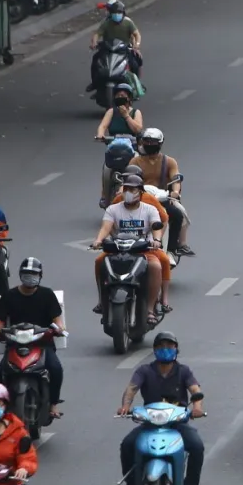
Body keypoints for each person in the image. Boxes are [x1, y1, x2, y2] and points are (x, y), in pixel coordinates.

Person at [116, 332, 205, 485]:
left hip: (176, 424)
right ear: (155, 350)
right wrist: (126, 406)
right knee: (127, 445)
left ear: (176, 349)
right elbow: (132, 389)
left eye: (169, 346)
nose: (166, 349)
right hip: (150, 423)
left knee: (197, 447)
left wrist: (197, 407)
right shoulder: (145, 371)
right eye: (161, 346)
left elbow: (195, 389)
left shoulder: (183, 371)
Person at [0, 256, 66, 422]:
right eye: (26, 273)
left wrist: (60, 328)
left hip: (42, 343)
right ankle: (0, 404)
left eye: (34, 273)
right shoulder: (9, 295)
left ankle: (53, 403)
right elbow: (0, 320)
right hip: (16, 343)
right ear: (20, 275)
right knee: (1, 371)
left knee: (56, 368)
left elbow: (57, 319)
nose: (30, 277)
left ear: (40, 275)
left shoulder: (47, 294)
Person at [91, 174, 170, 324]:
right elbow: (106, 227)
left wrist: (157, 240)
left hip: (144, 249)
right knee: (99, 262)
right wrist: (99, 240)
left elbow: (156, 227)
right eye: (126, 188)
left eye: (132, 189)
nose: (128, 192)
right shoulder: (113, 209)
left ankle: (150, 309)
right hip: (118, 248)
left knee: (155, 266)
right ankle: (102, 301)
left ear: (140, 192)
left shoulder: (150, 209)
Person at [130, 127, 193, 256]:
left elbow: (176, 178)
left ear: (160, 143)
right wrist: (122, 192)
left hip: (162, 198)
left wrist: (175, 192)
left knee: (178, 214)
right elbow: (127, 178)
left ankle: (173, 248)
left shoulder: (169, 161)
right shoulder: (135, 161)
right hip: (140, 198)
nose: (149, 145)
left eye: (153, 142)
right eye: (147, 141)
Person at [95, 82, 145, 205]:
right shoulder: (111, 111)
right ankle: (105, 196)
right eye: (118, 95)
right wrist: (101, 135)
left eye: (123, 95)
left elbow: (138, 129)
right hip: (114, 146)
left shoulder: (135, 112)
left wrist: (126, 116)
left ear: (129, 98)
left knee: (138, 167)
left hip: (132, 148)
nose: (120, 97)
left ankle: (141, 191)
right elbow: (103, 126)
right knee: (107, 169)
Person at [87, 0, 142, 91]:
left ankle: (136, 84)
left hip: (124, 49)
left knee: (136, 63)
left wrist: (136, 45)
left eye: (119, 12)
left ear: (123, 13)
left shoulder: (128, 22)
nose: (117, 15)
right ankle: (94, 83)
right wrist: (94, 43)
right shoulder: (106, 23)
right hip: (108, 48)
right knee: (95, 60)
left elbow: (137, 34)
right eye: (114, 12)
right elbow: (97, 34)